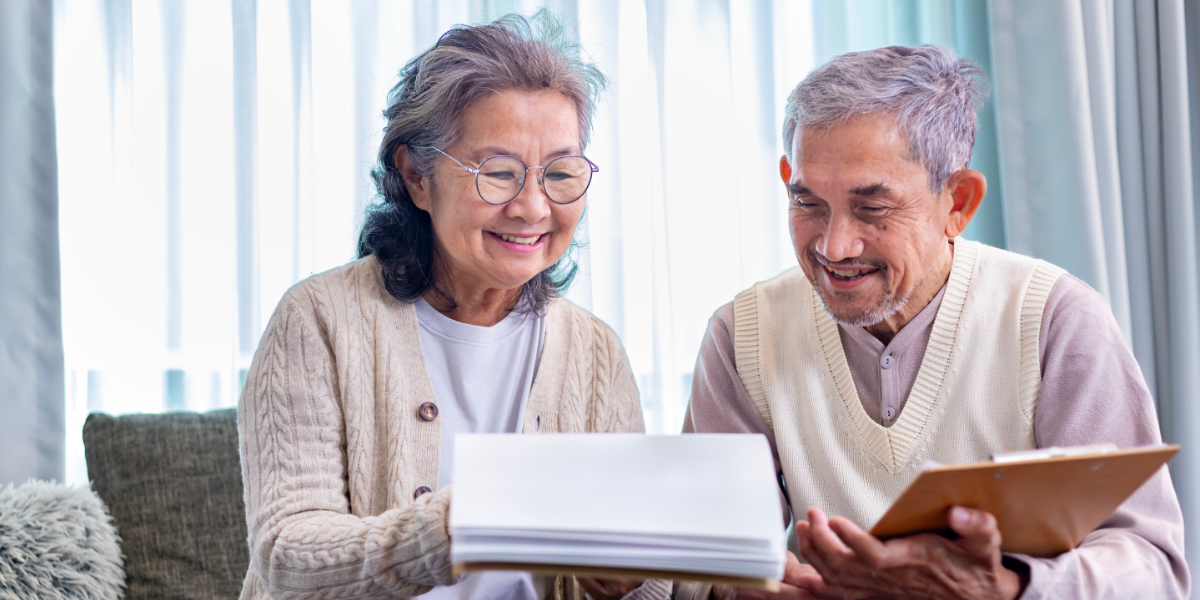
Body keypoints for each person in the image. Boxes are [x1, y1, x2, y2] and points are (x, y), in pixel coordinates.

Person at [681, 45, 1189, 600]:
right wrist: (741, 586)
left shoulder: (1053, 321)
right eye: (808, 203)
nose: (833, 246)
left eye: (872, 208)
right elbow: (704, 564)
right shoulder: (742, 336)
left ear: (958, 202)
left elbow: (1152, 570)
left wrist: (1007, 587)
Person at [237, 14, 669, 600]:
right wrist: (470, 523)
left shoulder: (596, 353)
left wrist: (619, 583)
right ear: (417, 174)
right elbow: (287, 558)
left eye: (560, 173)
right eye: (498, 174)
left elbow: (648, 581)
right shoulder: (316, 321)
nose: (533, 208)